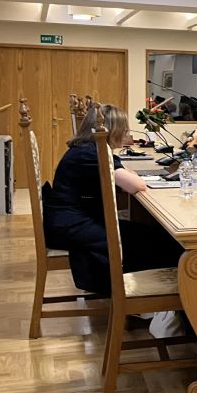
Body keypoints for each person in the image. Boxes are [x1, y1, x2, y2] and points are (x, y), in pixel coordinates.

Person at [44, 104, 184, 299]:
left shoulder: (86, 149)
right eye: (123, 129)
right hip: (70, 226)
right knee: (158, 240)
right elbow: (136, 185)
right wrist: (130, 175)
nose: (126, 133)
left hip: (68, 220)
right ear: (112, 130)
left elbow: (126, 175)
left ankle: (146, 301)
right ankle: (137, 297)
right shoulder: (94, 153)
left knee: (148, 234)